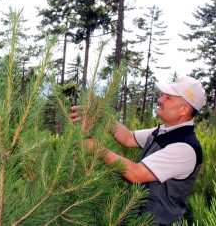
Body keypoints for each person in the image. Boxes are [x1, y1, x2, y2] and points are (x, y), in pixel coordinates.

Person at [70, 76, 206, 226]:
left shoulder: (184, 148)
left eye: (168, 98)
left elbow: (136, 174)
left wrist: (96, 149)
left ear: (184, 109)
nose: (160, 100)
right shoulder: (163, 132)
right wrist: (101, 116)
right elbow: (128, 137)